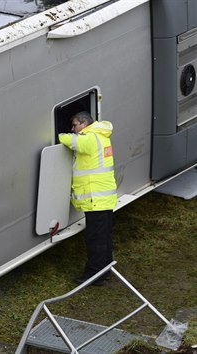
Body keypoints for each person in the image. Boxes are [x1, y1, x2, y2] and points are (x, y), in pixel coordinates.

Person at [58, 111, 117, 286]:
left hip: (95, 198)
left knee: (95, 239)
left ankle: (94, 275)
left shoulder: (90, 138)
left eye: (75, 125)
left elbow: (67, 140)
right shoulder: (102, 135)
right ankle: (105, 271)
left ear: (84, 123)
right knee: (104, 237)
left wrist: (59, 133)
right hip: (103, 197)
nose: (73, 129)